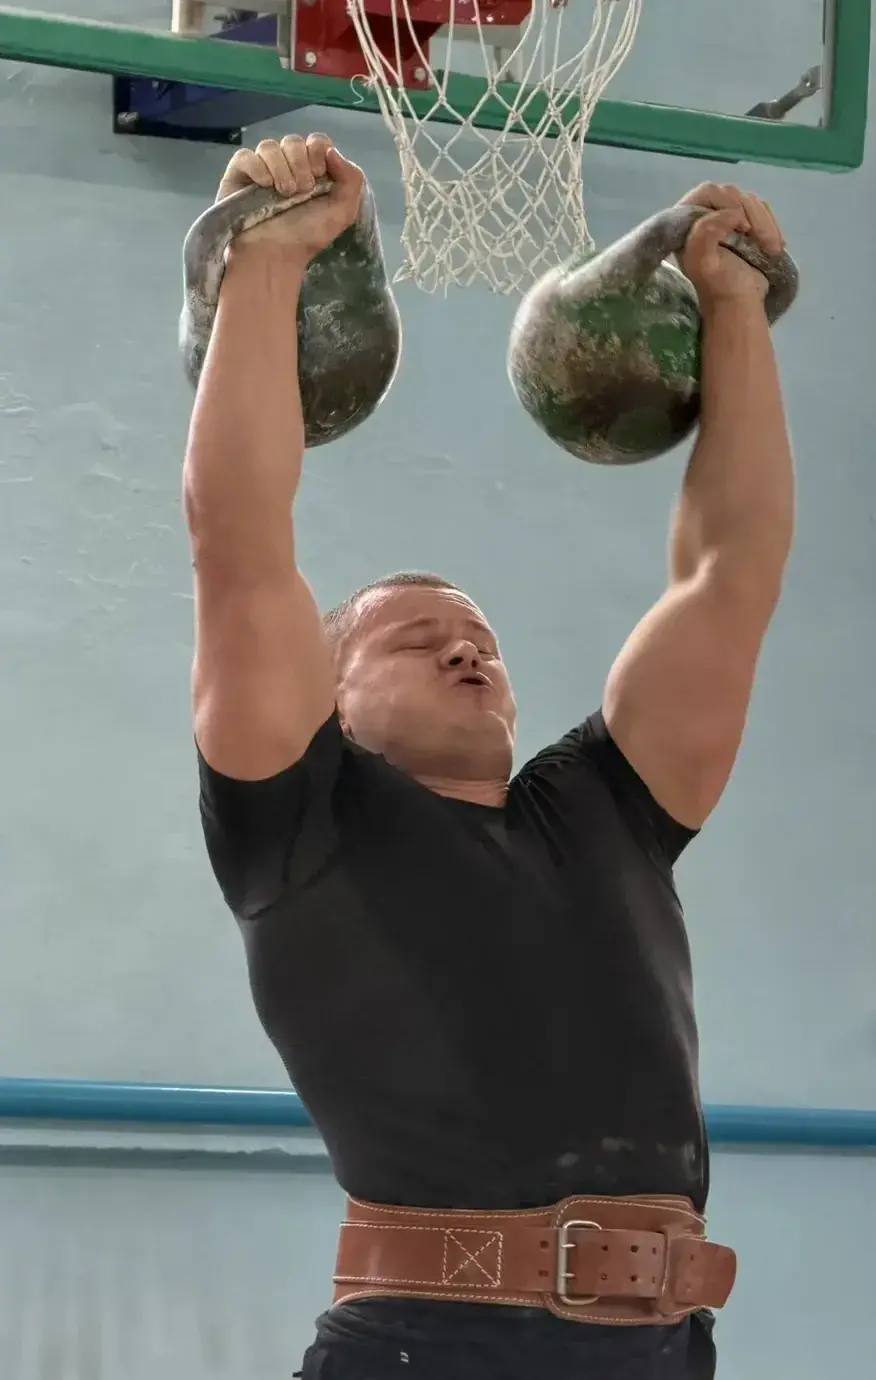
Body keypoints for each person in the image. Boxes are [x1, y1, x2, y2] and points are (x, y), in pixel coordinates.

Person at [184, 132, 794, 1380]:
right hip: (428, 1349)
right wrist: (269, 262)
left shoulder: (605, 811)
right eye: (416, 640)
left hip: (663, 1353)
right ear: (326, 696)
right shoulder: (299, 819)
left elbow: (729, 573)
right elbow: (238, 538)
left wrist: (733, 305)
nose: (466, 650)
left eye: (482, 641)